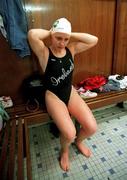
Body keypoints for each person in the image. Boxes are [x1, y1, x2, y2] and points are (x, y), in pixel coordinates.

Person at [28, 17, 98, 171]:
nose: (62, 42)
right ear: (52, 35)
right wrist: (52, 31)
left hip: (70, 92)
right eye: (58, 38)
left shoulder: (71, 49)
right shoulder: (44, 52)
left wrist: (70, 34)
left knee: (92, 127)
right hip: (53, 96)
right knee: (69, 132)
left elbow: (94, 40)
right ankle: (65, 151)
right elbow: (32, 34)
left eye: (66, 39)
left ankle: (79, 142)